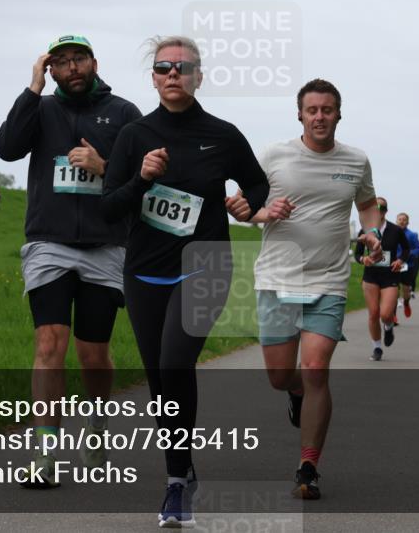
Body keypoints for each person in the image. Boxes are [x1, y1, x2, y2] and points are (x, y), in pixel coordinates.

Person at [101, 36, 269, 527]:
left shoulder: (222, 134)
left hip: (205, 263)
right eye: (163, 67)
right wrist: (143, 179)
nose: (173, 74)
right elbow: (110, 206)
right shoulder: (134, 136)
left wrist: (245, 202)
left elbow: (256, 182)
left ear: (199, 76)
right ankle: (184, 468)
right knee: (159, 378)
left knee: (175, 365)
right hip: (145, 271)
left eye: (183, 67)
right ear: (153, 78)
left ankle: (175, 485)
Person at [0, 34, 142, 487]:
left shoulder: (123, 112)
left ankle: (96, 433)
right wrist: (31, 89)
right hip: (49, 243)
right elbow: (6, 148)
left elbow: (146, 175)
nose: (72, 67)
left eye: (79, 59)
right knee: (48, 345)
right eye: (61, 62)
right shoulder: (41, 108)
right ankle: (44, 453)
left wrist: (105, 164)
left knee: (92, 353)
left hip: (104, 245)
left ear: (94, 63)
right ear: (51, 71)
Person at [247, 78, 382, 500]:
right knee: (280, 375)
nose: (320, 116)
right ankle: (294, 393)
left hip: (329, 279)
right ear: (300, 114)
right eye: (312, 110)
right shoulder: (274, 156)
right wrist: (261, 212)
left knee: (316, 368)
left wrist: (371, 232)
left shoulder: (356, 161)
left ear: (338, 114)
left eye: (327, 109)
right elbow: (245, 205)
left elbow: (367, 203)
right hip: (276, 278)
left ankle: (308, 466)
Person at [354, 199, 409, 361]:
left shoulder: (395, 230)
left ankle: (389, 326)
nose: (379, 211)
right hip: (371, 275)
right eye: (376, 208)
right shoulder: (365, 230)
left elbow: (406, 248)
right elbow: (357, 254)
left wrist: (400, 260)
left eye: (382, 208)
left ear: (386, 211)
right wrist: (363, 259)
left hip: (390, 275)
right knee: (373, 314)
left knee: (385, 314)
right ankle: (377, 348)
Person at [395, 212, 419, 317]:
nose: (402, 221)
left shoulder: (412, 235)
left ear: (408, 222)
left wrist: (410, 254)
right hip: (394, 265)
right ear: (396, 221)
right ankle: (393, 317)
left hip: (407, 265)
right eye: (400, 219)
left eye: (404, 220)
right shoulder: (391, 233)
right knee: (393, 290)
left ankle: (406, 303)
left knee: (406, 290)